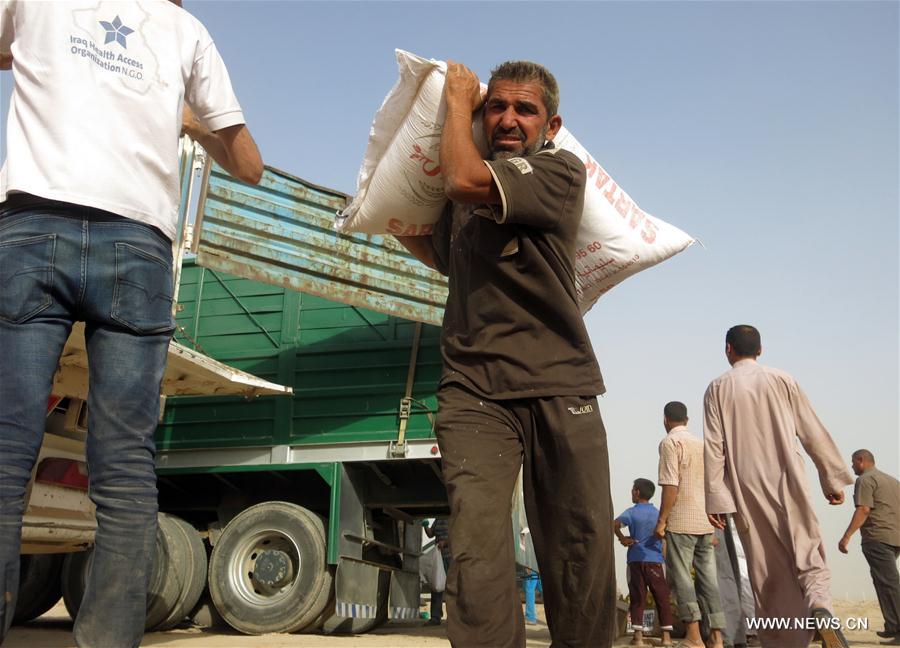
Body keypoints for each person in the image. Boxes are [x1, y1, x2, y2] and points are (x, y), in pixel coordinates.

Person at [0, 2, 261, 646]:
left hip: (34, 228)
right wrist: (189, 119)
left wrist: (36, 54)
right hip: (136, 248)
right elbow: (249, 164)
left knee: (6, 454)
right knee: (124, 470)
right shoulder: (186, 31)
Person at [396, 59, 615, 647]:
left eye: (524, 109)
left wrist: (458, 101)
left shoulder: (557, 172)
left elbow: (465, 181)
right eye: (496, 107)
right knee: (477, 548)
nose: (508, 119)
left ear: (551, 123)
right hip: (473, 392)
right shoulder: (467, 196)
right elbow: (439, 249)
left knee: (579, 547)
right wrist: (392, 206)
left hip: (558, 381)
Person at [703, 325, 853, 648]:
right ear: (760, 349)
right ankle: (820, 606)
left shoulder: (717, 389)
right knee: (808, 551)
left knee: (768, 570)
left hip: (747, 489)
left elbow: (715, 448)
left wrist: (716, 499)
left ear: (728, 349)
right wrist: (831, 476)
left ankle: (785, 640)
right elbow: (811, 430)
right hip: (790, 479)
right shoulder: (783, 380)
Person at [654, 402, 725, 648]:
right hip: (705, 523)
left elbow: (670, 485)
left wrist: (662, 520)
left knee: (682, 579)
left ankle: (694, 636)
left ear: (665, 420)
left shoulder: (670, 443)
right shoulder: (702, 444)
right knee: (709, 580)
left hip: (681, 521)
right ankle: (716, 636)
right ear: (687, 419)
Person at [838, 449, 900, 644]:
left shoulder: (865, 480)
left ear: (861, 460)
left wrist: (846, 536)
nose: (852, 466)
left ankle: (898, 630)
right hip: (895, 538)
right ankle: (892, 627)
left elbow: (864, 509)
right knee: (883, 582)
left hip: (877, 537)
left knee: (889, 584)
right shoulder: (892, 481)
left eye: (853, 462)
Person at [615, 478, 674, 647]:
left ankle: (639, 638)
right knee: (662, 597)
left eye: (633, 489)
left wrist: (623, 538)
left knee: (637, 597)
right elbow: (665, 535)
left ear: (637, 492)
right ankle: (666, 638)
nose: (631, 492)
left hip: (635, 560)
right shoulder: (659, 513)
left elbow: (615, 524)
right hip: (655, 561)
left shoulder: (631, 512)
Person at [424, 517, 451, 626]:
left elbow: (458, 534)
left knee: (452, 588)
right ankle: (435, 617)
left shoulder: (453, 517)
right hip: (439, 558)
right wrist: (425, 526)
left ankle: (454, 618)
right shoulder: (439, 519)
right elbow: (431, 534)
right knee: (436, 586)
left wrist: (445, 542)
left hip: (450, 557)